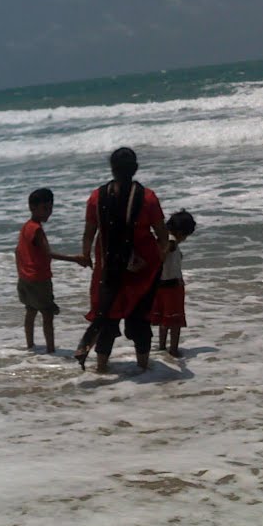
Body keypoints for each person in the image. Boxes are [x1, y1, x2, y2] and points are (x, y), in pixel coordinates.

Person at [75, 148, 169, 373]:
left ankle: (100, 368)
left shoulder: (97, 197)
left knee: (106, 317)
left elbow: (89, 233)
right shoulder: (147, 197)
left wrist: (86, 255)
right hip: (142, 272)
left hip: (108, 268)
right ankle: (144, 368)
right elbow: (162, 235)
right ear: (135, 169)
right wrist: (161, 258)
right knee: (140, 320)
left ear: (112, 169)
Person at [16, 188, 90, 353]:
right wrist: (76, 259)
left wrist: (21, 272)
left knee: (30, 311)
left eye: (50, 208)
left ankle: (30, 345)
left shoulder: (26, 227)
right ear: (33, 208)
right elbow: (48, 253)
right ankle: (50, 350)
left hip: (25, 278)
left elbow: (17, 251)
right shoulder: (36, 229)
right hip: (39, 279)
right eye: (45, 208)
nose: (49, 212)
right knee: (47, 314)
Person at [151, 209, 196, 358]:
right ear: (181, 232)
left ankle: (162, 346)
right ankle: (174, 350)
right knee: (175, 320)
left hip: (159, 285)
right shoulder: (171, 242)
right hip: (173, 286)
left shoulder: (162, 239)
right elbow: (165, 253)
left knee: (164, 319)